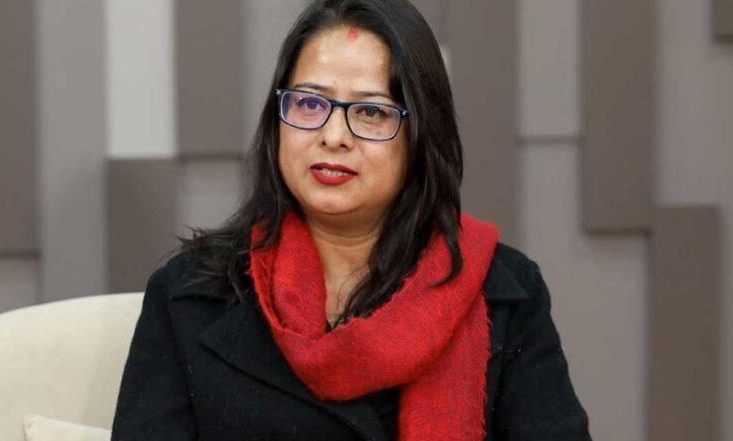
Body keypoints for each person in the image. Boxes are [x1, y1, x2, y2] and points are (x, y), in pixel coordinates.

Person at [111, 0, 591, 439]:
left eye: (370, 112)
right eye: (309, 103)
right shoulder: (190, 296)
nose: (334, 135)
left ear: (421, 134)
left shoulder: (501, 293)